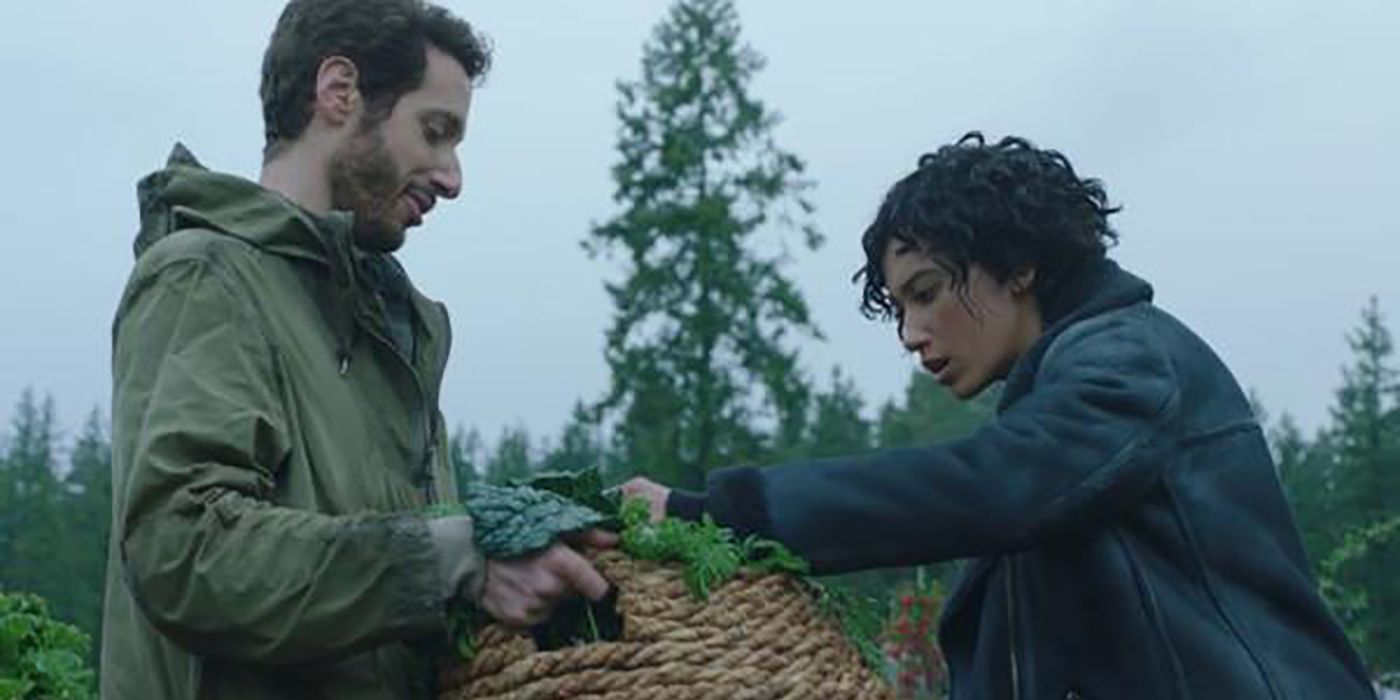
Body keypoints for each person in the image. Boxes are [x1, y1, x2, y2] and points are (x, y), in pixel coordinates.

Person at [623, 133, 1376, 699]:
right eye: (898, 310)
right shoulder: (1058, 406)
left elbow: (988, 486)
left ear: (1019, 264)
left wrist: (711, 513)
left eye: (926, 292)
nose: (912, 334)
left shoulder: (1130, 358)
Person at [101, 2, 611, 698]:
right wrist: (456, 563)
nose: (452, 176)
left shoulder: (393, 331)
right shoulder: (204, 279)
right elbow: (183, 553)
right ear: (339, 92)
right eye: (435, 132)